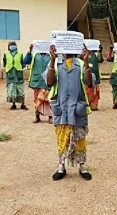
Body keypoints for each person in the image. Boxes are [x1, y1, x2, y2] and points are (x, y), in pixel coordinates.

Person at [44, 44, 93, 181]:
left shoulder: (81, 64)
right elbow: (49, 82)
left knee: (79, 138)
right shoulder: (55, 62)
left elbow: (89, 82)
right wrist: (52, 60)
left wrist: (87, 61)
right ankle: (61, 167)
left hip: (77, 107)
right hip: (61, 107)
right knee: (62, 139)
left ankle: (82, 166)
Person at [24, 44, 52, 123]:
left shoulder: (50, 55)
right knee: (37, 99)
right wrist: (30, 51)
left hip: (47, 81)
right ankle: (37, 116)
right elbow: (25, 61)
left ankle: (50, 116)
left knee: (48, 99)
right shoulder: (35, 54)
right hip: (37, 81)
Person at [3, 41, 28, 110]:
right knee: (12, 89)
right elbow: (4, 63)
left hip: (18, 74)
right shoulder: (6, 54)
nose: (12, 46)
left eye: (14, 45)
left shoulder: (20, 54)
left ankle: (23, 104)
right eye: (11, 45)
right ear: (8, 46)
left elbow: (23, 64)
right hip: (10, 74)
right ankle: (13, 104)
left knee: (20, 89)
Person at [86, 45, 104, 111]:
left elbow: (100, 60)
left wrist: (100, 52)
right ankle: (86, 104)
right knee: (86, 90)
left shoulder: (96, 54)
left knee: (95, 91)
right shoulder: (84, 54)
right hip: (86, 76)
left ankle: (93, 105)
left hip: (95, 76)